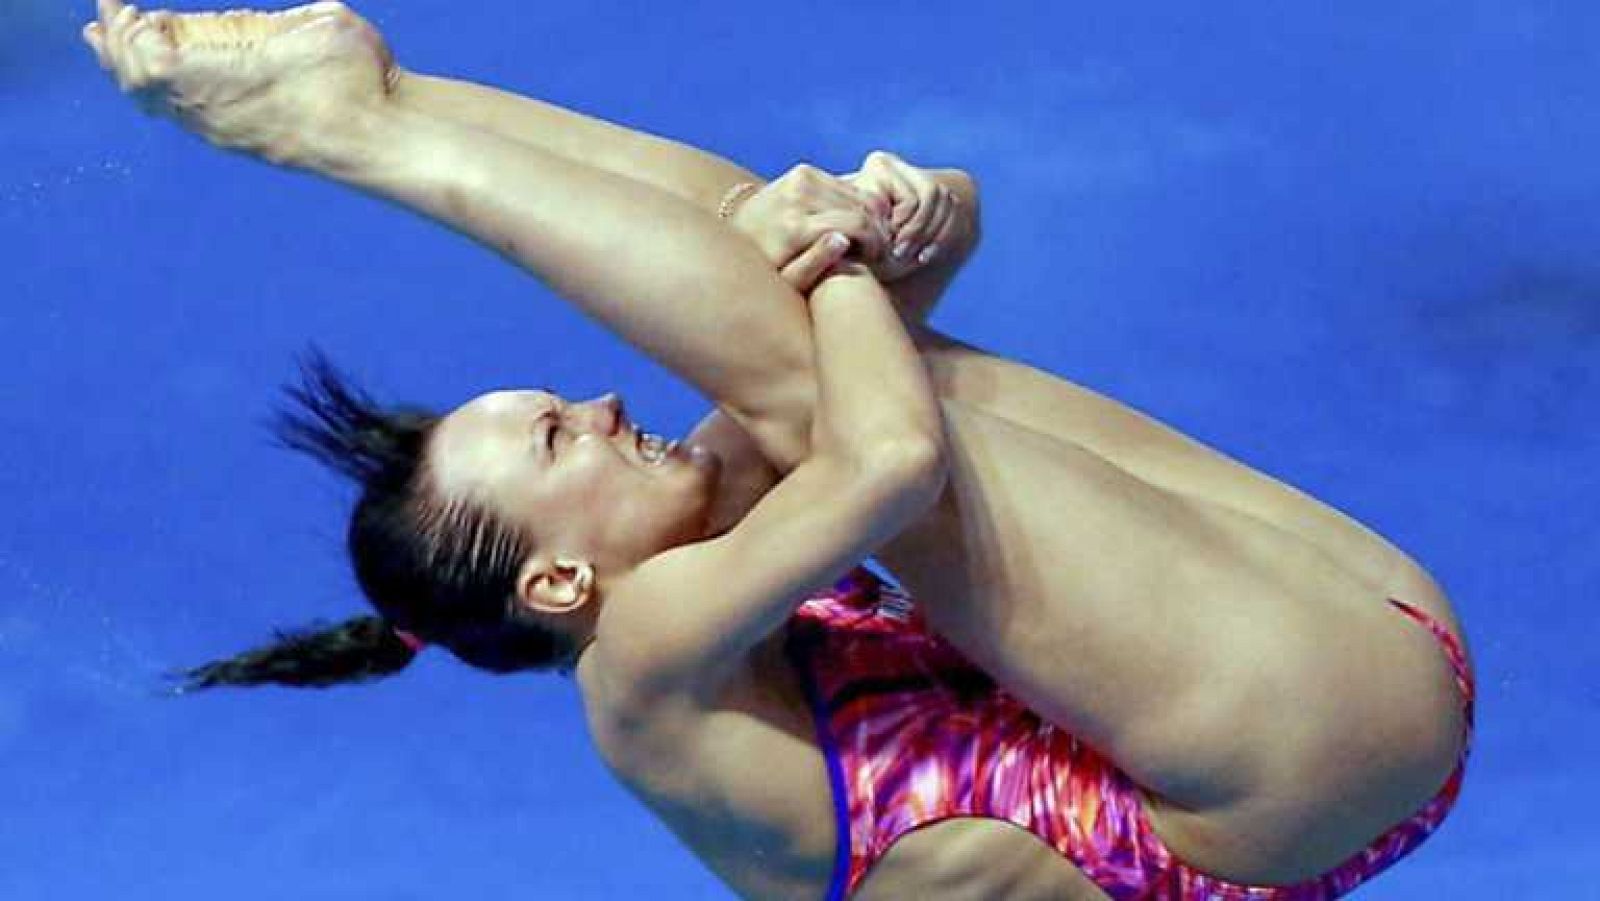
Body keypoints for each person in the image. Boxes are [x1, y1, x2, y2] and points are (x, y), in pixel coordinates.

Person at [84, 2, 1475, 898]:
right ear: (561, 585)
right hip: (1288, 766)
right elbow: (883, 463)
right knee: (795, 339)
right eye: (563, 435)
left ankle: (384, 87)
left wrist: (914, 222)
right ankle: (354, 135)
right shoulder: (640, 665)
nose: (606, 408)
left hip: (1334, 684)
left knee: (778, 289)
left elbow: (791, 310)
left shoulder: (715, 571)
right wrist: (835, 258)